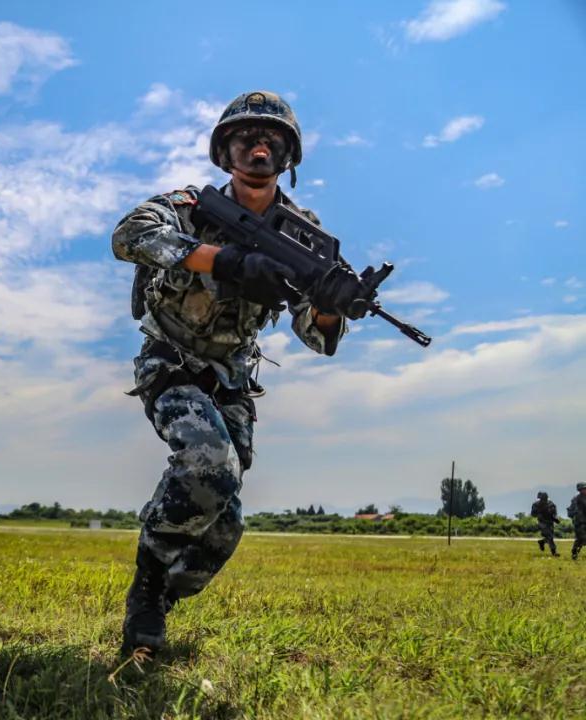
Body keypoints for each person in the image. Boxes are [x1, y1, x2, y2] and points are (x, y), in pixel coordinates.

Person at [111, 91, 373, 655]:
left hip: (231, 374)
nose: (258, 149)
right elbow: (129, 236)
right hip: (171, 358)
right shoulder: (189, 206)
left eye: (272, 142)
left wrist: (330, 302)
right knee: (209, 462)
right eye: (244, 140)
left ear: (288, 158)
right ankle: (147, 593)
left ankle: (165, 588)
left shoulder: (304, 235)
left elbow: (315, 333)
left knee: (224, 527)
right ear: (223, 152)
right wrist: (223, 260)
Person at [530, 491, 559, 557]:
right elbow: (533, 514)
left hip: (550, 522)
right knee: (550, 537)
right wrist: (539, 512)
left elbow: (554, 512)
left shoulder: (551, 503)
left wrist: (555, 519)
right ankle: (554, 552)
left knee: (550, 537)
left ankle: (542, 542)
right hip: (542, 522)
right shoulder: (536, 504)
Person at [570, 482, 586, 561]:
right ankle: (574, 552)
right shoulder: (576, 499)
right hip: (579, 522)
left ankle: (575, 552)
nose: (585, 490)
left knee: (582, 539)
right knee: (581, 538)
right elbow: (571, 511)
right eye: (584, 489)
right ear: (579, 490)